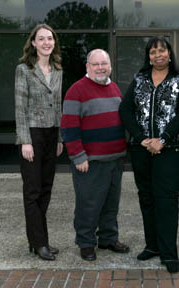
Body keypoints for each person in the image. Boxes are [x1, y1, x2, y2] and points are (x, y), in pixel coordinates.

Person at [119, 37, 179, 273]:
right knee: (147, 198)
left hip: (169, 151)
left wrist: (163, 139)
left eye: (162, 50)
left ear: (170, 54)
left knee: (167, 200)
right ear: (148, 56)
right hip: (141, 150)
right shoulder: (139, 79)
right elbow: (125, 110)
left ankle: (169, 253)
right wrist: (142, 139)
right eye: (153, 52)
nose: (158, 55)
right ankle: (152, 246)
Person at [60, 49, 129, 261]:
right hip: (90, 162)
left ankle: (108, 238)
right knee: (88, 204)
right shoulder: (76, 90)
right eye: (95, 64)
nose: (100, 68)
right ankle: (86, 242)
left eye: (104, 64)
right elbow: (69, 127)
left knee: (111, 203)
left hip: (115, 159)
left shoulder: (114, 88)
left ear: (110, 66)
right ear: (87, 67)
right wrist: (78, 156)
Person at [15, 23, 64, 261]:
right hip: (32, 135)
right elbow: (20, 107)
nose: (46, 43)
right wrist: (25, 141)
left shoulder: (57, 70)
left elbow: (60, 106)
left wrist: (60, 137)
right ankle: (39, 242)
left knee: (46, 189)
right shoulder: (24, 70)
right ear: (33, 43)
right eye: (41, 39)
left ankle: (38, 240)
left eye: (50, 39)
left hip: (52, 134)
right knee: (32, 191)